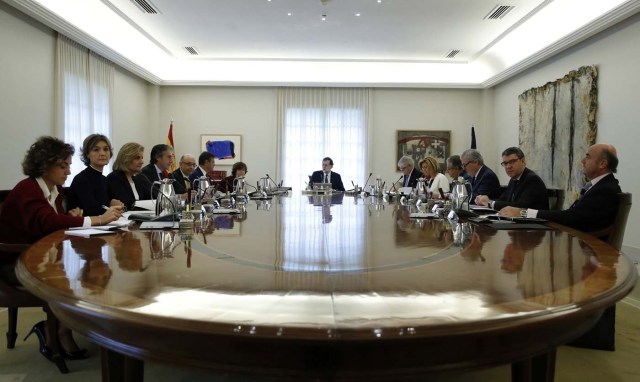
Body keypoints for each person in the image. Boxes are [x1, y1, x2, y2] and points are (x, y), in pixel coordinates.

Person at [0, 136, 120, 366]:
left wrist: (68, 219)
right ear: (45, 166)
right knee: (85, 278)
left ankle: (60, 329)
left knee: (92, 274)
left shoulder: (54, 190)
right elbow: (47, 223)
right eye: (63, 166)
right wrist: (96, 219)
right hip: (14, 264)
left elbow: (52, 221)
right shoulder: (28, 189)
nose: (68, 170)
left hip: (39, 255)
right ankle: (56, 330)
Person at [499, 143, 621, 233]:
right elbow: (572, 215)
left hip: (587, 249)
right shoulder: (601, 186)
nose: (582, 160)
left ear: (602, 164)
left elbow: (570, 218)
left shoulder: (605, 190)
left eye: (588, 157)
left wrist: (523, 212)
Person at [67, 134, 124, 216]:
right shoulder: (81, 179)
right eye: (96, 150)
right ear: (87, 154)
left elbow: (115, 205)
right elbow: (91, 210)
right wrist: (111, 206)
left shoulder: (105, 179)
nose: (102, 153)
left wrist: (116, 204)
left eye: (106, 149)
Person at [475, 147, 548, 211]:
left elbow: (520, 206)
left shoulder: (532, 180)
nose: (508, 166)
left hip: (536, 224)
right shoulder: (514, 179)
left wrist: (490, 203)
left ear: (523, 161)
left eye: (512, 162)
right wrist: (484, 200)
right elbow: (503, 200)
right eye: (505, 163)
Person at [106, 142, 152, 210]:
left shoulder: (138, 179)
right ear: (126, 159)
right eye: (137, 158)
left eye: (142, 158)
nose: (142, 162)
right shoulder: (115, 178)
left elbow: (150, 199)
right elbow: (125, 204)